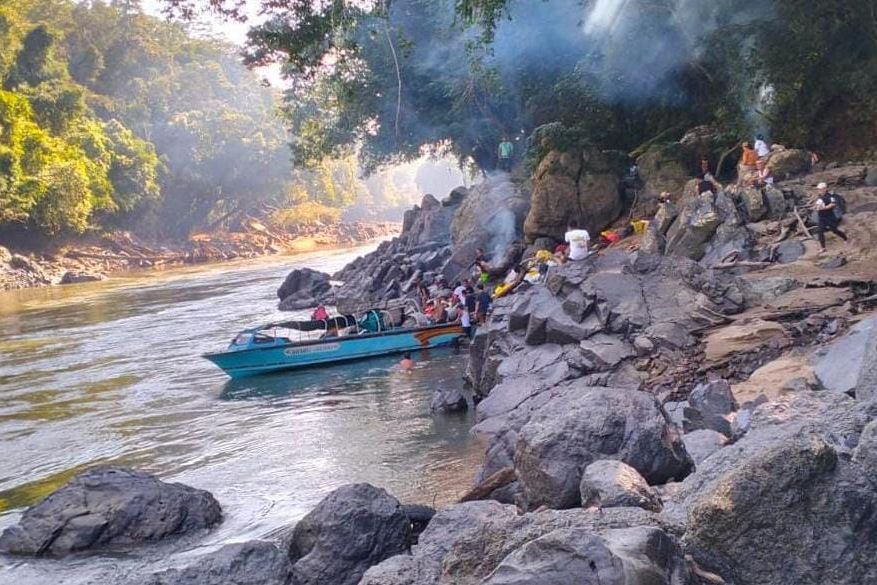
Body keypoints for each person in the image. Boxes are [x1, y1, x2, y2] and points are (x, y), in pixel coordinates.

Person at [814, 182, 848, 253]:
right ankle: (823, 248)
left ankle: (845, 238)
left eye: (820, 189)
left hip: (829, 217)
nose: (819, 190)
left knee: (834, 230)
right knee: (820, 231)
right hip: (821, 217)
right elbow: (817, 204)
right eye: (818, 189)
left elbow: (832, 204)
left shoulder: (830, 196)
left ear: (825, 189)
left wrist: (824, 208)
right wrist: (815, 207)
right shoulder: (819, 196)